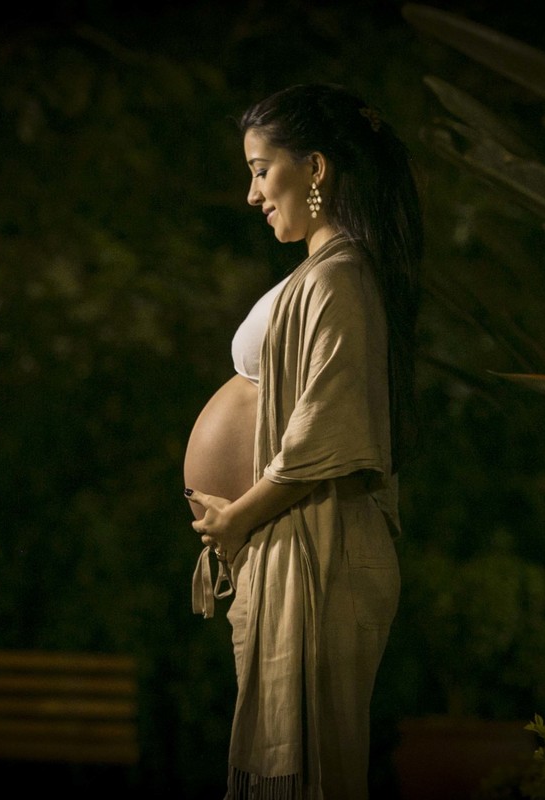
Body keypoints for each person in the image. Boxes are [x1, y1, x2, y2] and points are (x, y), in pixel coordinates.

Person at [184, 82, 423, 800]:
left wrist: (239, 516)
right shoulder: (323, 274)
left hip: (322, 551)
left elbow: (329, 430)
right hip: (288, 549)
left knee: (312, 770)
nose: (253, 193)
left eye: (261, 169)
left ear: (315, 168)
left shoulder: (341, 279)